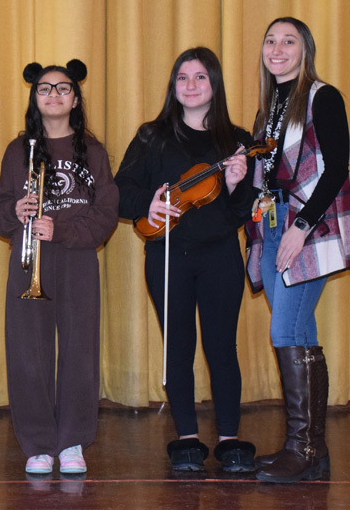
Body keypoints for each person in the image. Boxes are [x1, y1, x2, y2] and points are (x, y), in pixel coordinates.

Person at [114, 47, 257, 473]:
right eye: (182, 78)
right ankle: (187, 437)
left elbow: (242, 212)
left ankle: (229, 437)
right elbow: (120, 190)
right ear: (173, 86)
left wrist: (236, 185)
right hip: (167, 255)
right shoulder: (152, 135)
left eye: (200, 77)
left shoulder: (237, 140)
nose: (190, 85)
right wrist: (148, 204)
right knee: (177, 345)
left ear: (215, 84)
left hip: (220, 256)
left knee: (221, 345)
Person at [245, 17, 350, 483]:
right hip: (272, 225)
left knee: (286, 332)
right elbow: (266, 175)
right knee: (300, 332)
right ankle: (310, 449)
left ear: (305, 50)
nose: (277, 49)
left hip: (306, 226)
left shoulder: (322, 97)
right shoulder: (268, 107)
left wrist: (301, 227)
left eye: (288, 41)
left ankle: (304, 449)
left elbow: (336, 169)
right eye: (270, 40)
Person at [0, 60, 119, 475]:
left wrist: (60, 229)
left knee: (80, 350)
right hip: (29, 260)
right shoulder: (18, 151)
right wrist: (15, 210)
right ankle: (38, 443)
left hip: (77, 259)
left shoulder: (93, 152)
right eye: (44, 88)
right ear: (35, 98)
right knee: (28, 351)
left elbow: (106, 214)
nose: (54, 95)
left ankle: (72, 441)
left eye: (63, 88)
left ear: (76, 99)